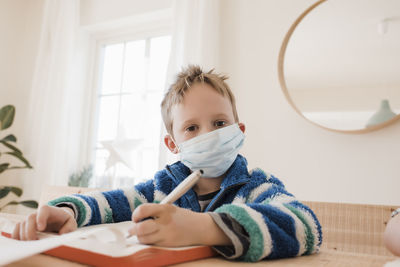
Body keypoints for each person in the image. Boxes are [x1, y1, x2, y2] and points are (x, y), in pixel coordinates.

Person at [13, 65, 322, 262]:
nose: (209, 135)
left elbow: (307, 226)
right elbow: (112, 202)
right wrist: (68, 210)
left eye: (219, 123)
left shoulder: (257, 186)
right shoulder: (163, 186)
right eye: (191, 128)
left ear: (239, 132)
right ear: (172, 144)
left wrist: (208, 228)